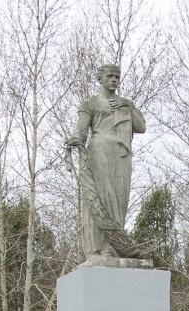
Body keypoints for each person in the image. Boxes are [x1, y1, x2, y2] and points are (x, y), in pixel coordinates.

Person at [65, 63, 147, 262]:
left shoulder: (124, 104)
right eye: (110, 76)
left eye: (117, 77)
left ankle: (113, 246)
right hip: (99, 152)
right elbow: (81, 131)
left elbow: (141, 127)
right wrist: (75, 139)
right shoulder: (90, 104)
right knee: (100, 199)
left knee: (119, 201)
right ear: (100, 79)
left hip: (121, 155)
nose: (114, 80)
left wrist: (128, 105)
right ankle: (96, 248)